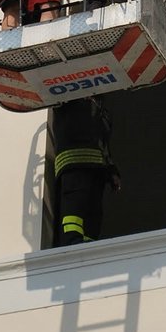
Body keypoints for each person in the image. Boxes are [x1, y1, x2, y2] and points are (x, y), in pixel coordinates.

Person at [52, 97, 120, 245]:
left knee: (93, 211)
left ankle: (89, 244)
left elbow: (104, 143)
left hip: (97, 166)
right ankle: (71, 241)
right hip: (73, 161)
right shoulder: (68, 98)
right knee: (75, 205)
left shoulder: (102, 112)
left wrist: (112, 170)